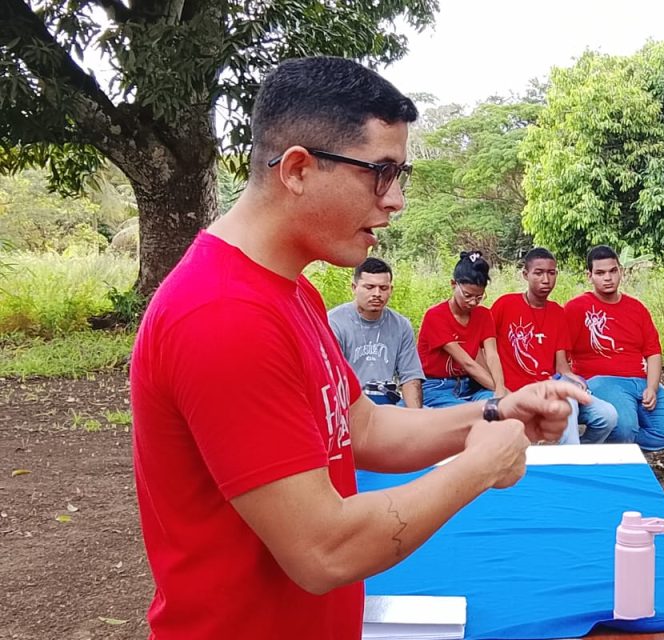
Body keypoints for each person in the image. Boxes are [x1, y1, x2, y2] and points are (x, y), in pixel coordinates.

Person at [129, 57, 588, 639]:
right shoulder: (224, 314)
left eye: (401, 175)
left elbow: (361, 428)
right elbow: (324, 551)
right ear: (297, 169)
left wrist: (497, 410)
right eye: (381, 172)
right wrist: (478, 467)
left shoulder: (291, 291)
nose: (395, 200)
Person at [490, 247, 618, 444]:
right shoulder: (505, 305)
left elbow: (562, 366)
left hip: (550, 387)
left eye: (551, 273)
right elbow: (485, 348)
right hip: (517, 391)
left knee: (607, 416)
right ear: (525, 274)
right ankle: (569, 464)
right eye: (538, 273)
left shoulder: (557, 312)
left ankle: (567, 454)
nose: (545, 280)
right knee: (567, 404)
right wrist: (498, 386)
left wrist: (575, 381)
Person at [564, 245, 664, 451]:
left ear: (621, 271)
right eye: (600, 273)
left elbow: (653, 352)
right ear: (589, 276)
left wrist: (652, 387)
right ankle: (612, 451)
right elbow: (561, 353)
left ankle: (600, 449)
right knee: (626, 427)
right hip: (602, 379)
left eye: (613, 271)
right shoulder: (576, 308)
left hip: (639, 379)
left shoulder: (636, 308)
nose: (608, 278)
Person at [328, 257, 426, 407]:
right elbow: (329, 378)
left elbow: (410, 377)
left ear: (391, 289)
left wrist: (416, 418)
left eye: (383, 288)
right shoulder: (334, 322)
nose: (377, 294)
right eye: (369, 287)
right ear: (354, 287)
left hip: (387, 401)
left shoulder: (401, 325)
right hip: (348, 403)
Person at [416, 251, 505, 407]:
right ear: (453, 284)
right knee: (466, 414)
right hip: (436, 387)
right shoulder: (436, 316)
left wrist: (500, 391)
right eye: (467, 295)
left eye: (479, 297)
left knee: (500, 407)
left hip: (470, 386)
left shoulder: (483, 315)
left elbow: (492, 355)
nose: (472, 302)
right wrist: (506, 394)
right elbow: (467, 363)